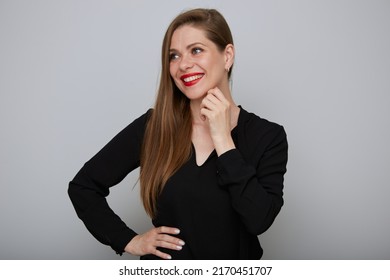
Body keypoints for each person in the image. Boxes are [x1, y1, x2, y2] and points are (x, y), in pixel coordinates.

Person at [68, 8, 288, 260]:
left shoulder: (268, 137)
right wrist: (128, 240)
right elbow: (83, 187)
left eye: (196, 50)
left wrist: (224, 141)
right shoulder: (154, 126)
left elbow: (259, 220)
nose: (183, 65)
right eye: (174, 56)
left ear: (227, 56)